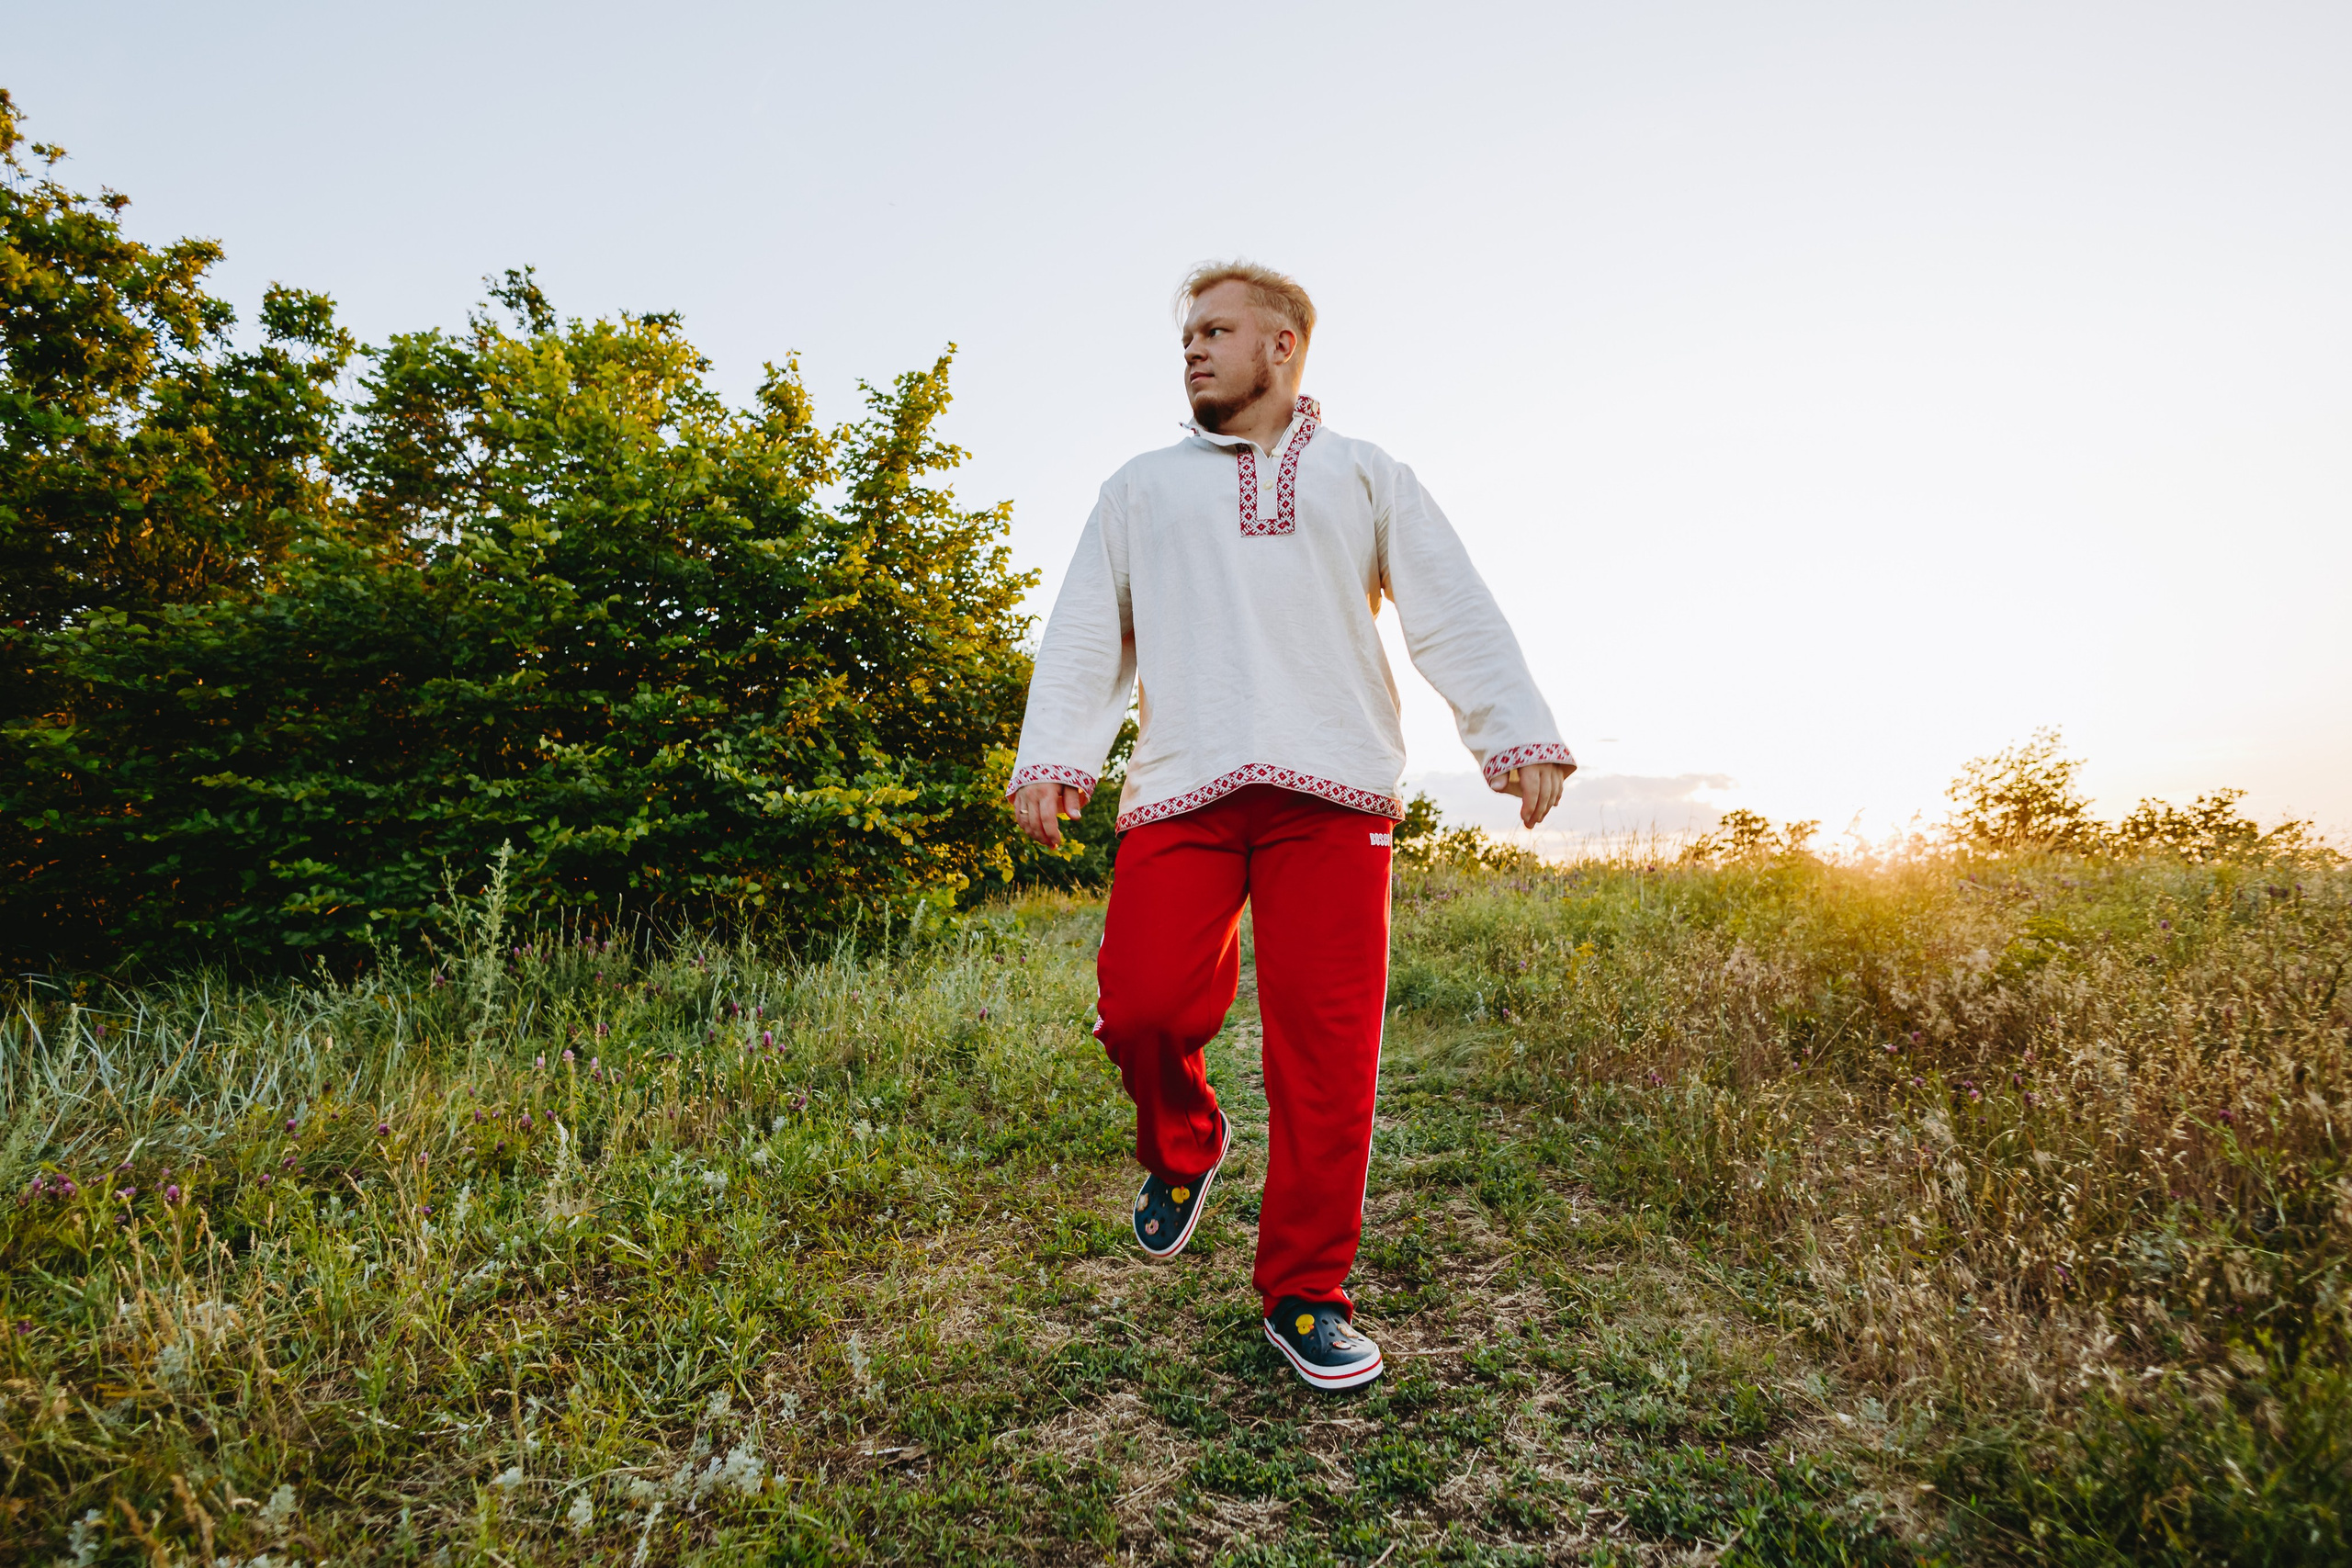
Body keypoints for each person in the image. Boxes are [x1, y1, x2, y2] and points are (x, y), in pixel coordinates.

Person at [1009, 262, 1572, 1391]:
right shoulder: (1139, 487)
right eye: (1186, 335)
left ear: (1282, 346)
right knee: (1146, 1004)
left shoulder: (1365, 474)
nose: (1192, 350)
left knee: (1327, 1059)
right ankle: (1186, 1143)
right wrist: (1053, 753)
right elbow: (1083, 628)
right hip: (1184, 785)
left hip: (1334, 791)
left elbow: (1450, 603)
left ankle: (1305, 1293)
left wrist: (1514, 731)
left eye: (1215, 331)